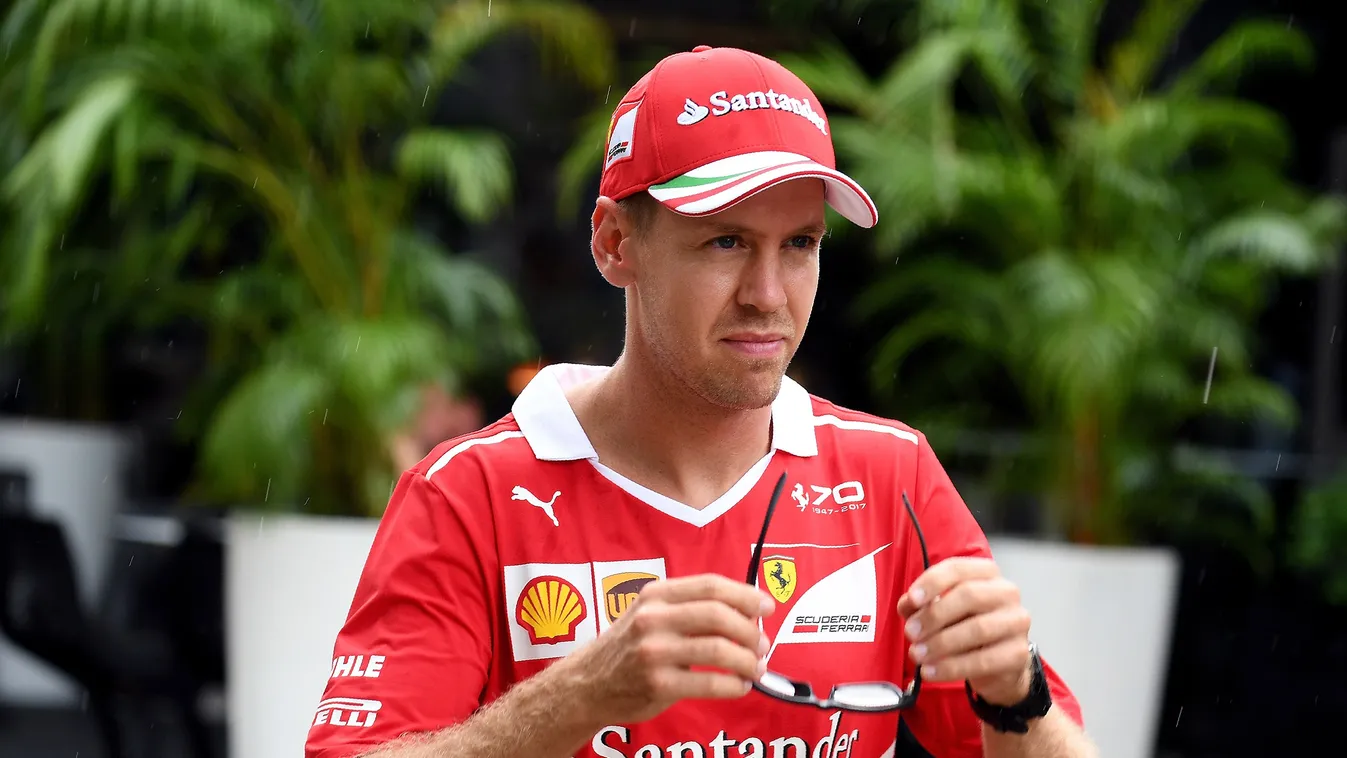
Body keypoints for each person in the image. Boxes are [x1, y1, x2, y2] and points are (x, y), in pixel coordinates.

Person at [305, 45, 1099, 758]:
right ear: (616, 244)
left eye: (799, 245)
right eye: (725, 242)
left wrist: (1014, 691)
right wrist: (581, 696)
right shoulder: (467, 493)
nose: (767, 295)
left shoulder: (890, 474)